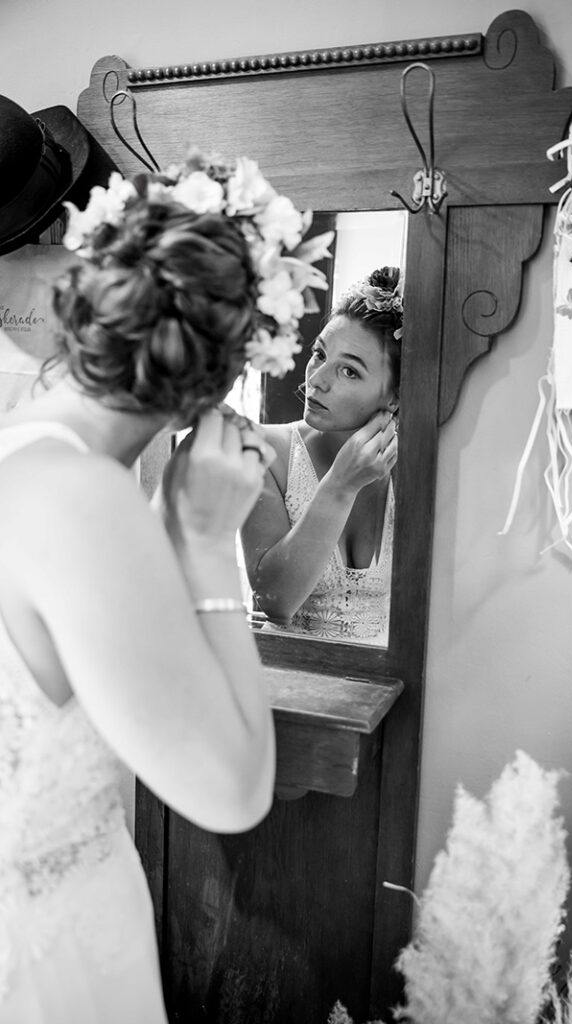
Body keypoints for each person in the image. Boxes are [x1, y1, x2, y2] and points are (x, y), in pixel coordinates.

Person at [0, 129, 331, 1023]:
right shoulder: (81, 498)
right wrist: (206, 537)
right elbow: (232, 790)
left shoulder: (24, 454)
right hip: (49, 958)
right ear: (213, 388)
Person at [240, 267, 401, 645]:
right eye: (319, 354)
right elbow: (276, 602)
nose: (316, 380)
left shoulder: (417, 467)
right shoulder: (263, 450)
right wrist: (339, 487)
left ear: (394, 396)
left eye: (349, 371)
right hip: (287, 673)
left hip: (383, 677)